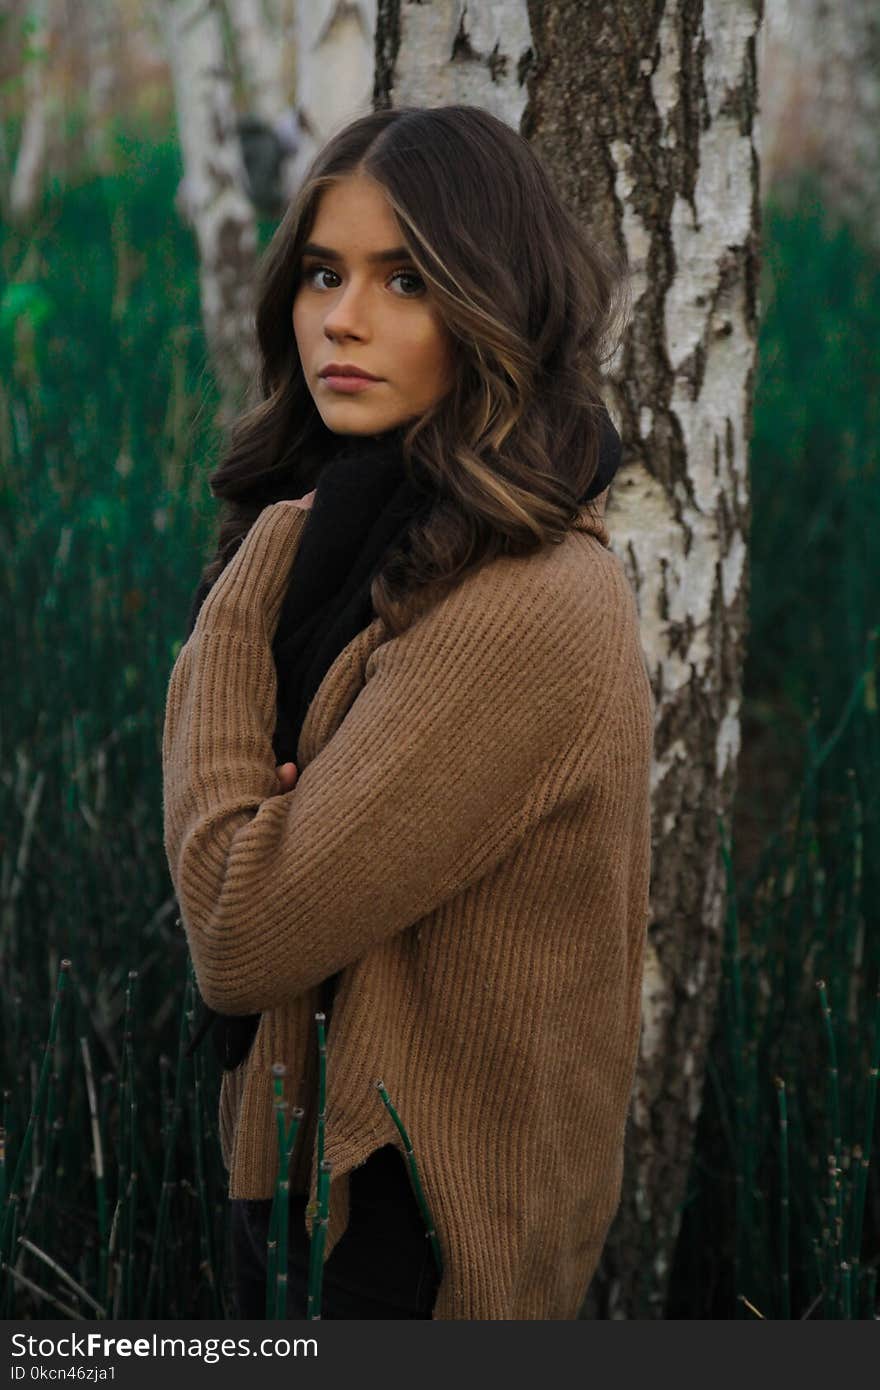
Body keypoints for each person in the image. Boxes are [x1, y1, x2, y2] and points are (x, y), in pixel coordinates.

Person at [162, 103, 654, 1321]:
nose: (342, 317)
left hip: (414, 1242)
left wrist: (237, 607)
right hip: (312, 1178)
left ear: (494, 311)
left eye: (406, 281)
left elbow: (239, 925)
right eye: (323, 272)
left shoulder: (522, 604)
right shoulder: (376, 550)